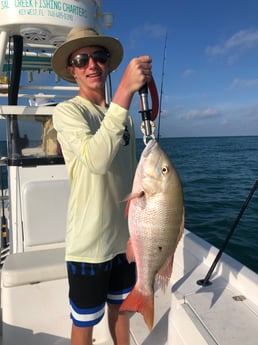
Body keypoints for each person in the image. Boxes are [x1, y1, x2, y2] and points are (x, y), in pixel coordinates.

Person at [51, 26, 153, 345]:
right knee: (85, 324)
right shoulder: (68, 112)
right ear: (72, 69)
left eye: (99, 56)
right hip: (89, 244)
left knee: (121, 314)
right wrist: (124, 93)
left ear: (108, 63)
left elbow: (131, 174)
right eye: (82, 59)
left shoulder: (124, 118)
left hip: (124, 241)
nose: (92, 64)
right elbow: (97, 161)